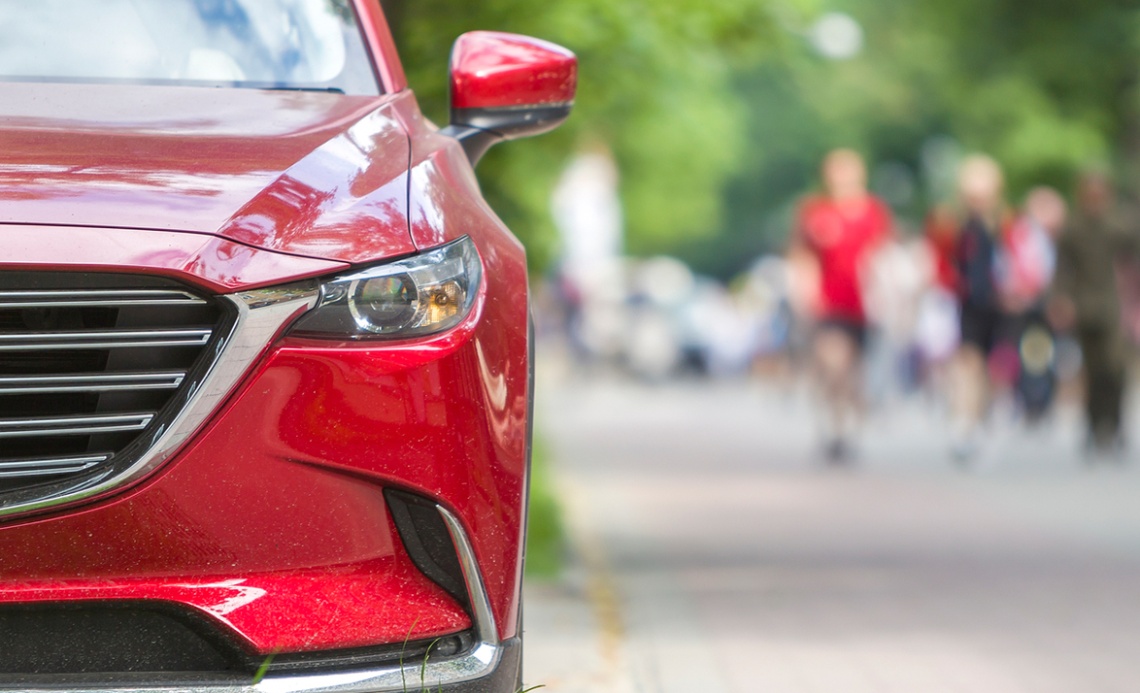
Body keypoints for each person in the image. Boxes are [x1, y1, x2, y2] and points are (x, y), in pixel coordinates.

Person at [789, 149, 891, 461]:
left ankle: (848, 428)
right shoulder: (814, 211)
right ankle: (833, 428)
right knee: (833, 364)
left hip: (864, 306)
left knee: (854, 373)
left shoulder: (874, 212)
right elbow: (801, 256)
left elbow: (884, 257)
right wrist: (803, 294)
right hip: (828, 305)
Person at [1051, 170, 1139, 456]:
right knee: (1091, 370)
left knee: (1115, 369)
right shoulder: (1074, 228)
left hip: (1115, 308)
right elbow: (1062, 269)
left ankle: (1114, 424)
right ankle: (1092, 425)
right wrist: (1060, 299)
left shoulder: (1119, 225)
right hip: (1084, 306)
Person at [949, 154, 1009, 460]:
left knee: (993, 368)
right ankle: (965, 424)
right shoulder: (953, 223)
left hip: (1001, 306)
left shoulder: (1007, 222)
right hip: (967, 303)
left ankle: (986, 420)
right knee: (967, 363)